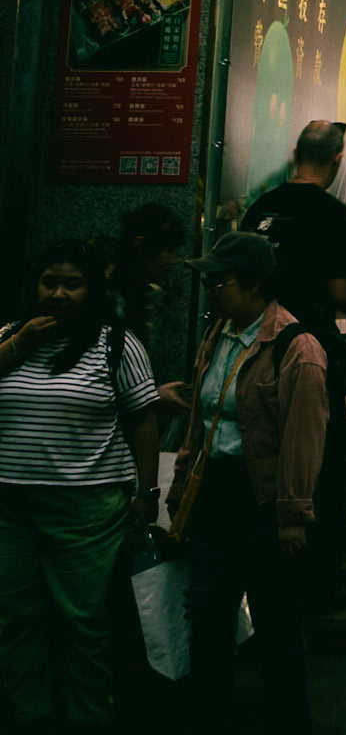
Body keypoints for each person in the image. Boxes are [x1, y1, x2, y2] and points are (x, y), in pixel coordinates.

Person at [171, 231, 328, 733]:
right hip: (213, 494)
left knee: (276, 623)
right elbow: (201, 419)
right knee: (207, 617)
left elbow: (303, 439)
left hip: (261, 501)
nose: (211, 291)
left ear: (254, 284)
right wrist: (180, 484)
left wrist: (292, 514)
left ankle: (290, 722)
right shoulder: (217, 334)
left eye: (220, 282)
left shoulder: (296, 347)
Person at [0, 239, 161, 727]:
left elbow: (144, 421)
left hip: (87, 509)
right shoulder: (9, 336)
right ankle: (30, 716)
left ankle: (88, 717)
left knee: (83, 621)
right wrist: (19, 344)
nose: (59, 294)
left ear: (92, 290)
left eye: (72, 284)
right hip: (9, 507)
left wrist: (146, 492)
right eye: (49, 283)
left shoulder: (116, 343)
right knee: (15, 618)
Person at [241, 122, 346, 599]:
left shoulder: (261, 209)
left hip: (254, 353)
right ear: (338, 158)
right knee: (323, 463)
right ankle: (319, 579)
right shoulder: (330, 213)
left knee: (263, 456)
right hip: (310, 356)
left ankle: (264, 574)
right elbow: (341, 290)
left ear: (295, 151)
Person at [108, 200, 192, 410]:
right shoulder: (111, 298)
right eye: (169, 250)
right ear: (141, 245)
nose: (173, 260)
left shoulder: (137, 292)